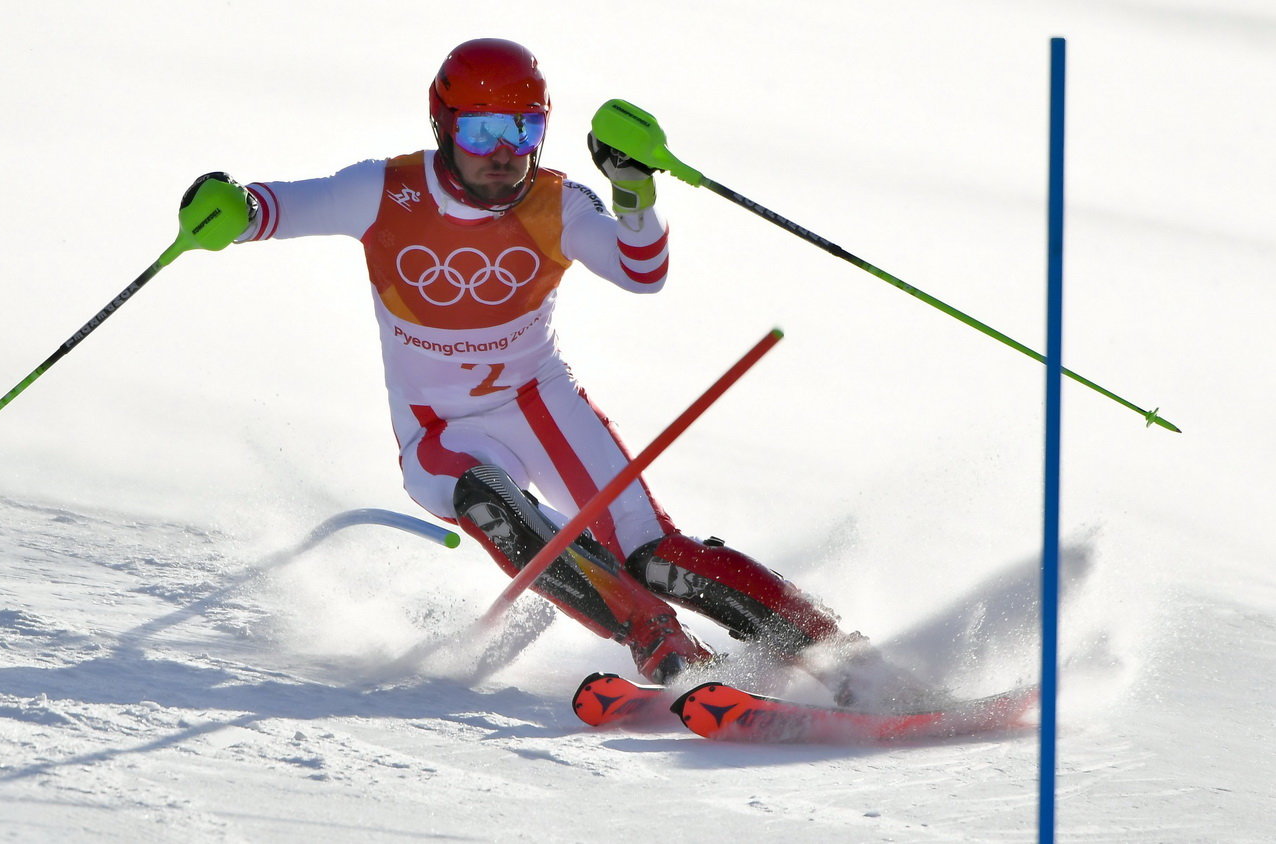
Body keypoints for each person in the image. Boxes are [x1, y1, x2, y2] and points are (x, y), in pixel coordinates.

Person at [178, 38, 908, 702]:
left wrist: (633, 195)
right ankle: (670, 655)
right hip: (441, 431)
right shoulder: (383, 191)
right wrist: (227, 209)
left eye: (522, 129)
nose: (503, 152)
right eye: (481, 131)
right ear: (444, 127)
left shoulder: (557, 201)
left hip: (540, 403)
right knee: (491, 500)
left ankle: (838, 655)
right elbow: (266, 210)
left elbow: (638, 270)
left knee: (655, 554)